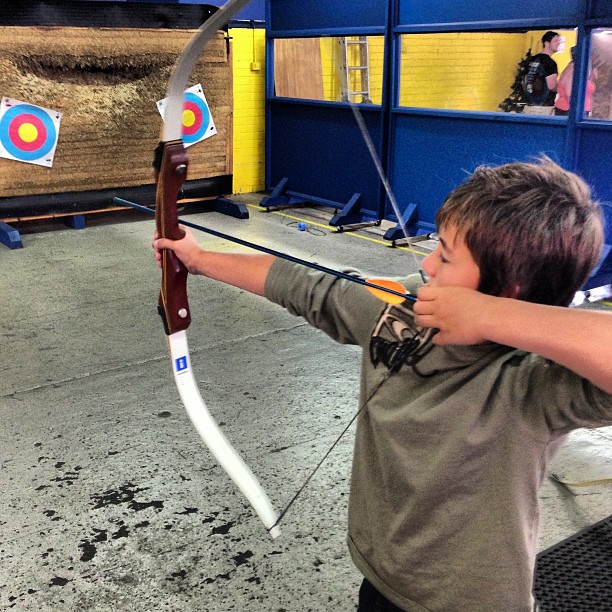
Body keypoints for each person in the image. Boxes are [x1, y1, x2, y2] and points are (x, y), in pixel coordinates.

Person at [153, 158, 612, 611]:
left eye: (448, 257)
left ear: (509, 289)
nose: (428, 263)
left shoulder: (538, 379)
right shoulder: (405, 306)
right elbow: (311, 287)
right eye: (436, 244)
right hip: (382, 576)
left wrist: (491, 317)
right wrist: (198, 260)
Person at [554, 46, 597, 117]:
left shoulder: (578, 70)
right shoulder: (573, 71)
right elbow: (571, 94)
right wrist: (578, 116)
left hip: (575, 111)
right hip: (570, 112)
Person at [524, 31, 562, 109]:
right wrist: (563, 86)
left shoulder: (532, 59)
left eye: (559, 41)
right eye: (555, 40)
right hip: (544, 106)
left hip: (529, 103)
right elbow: (552, 86)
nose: (558, 43)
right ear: (546, 43)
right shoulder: (549, 63)